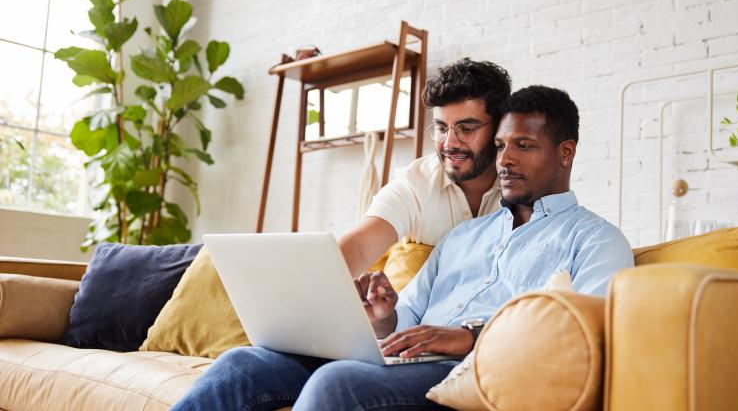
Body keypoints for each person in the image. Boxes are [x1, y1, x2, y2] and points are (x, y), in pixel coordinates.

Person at [170, 85, 634, 411]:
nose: (506, 159)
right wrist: (383, 314)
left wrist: (472, 336)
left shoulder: (595, 239)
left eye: (525, 146)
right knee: (244, 363)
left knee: (339, 385)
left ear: (566, 152)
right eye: (500, 145)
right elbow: (404, 322)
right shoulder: (461, 237)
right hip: (404, 359)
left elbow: (583, 333)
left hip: (467, 374)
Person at [340, 58, 510, 276]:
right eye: (441, 128)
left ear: (500, 127)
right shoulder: (414, 184)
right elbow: (359, 249)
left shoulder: (521, 184)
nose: (449, 143)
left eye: (466, 129)